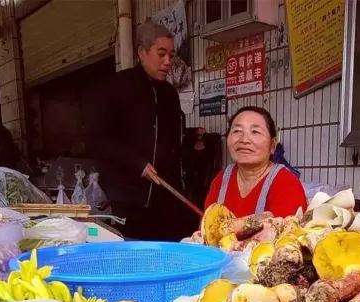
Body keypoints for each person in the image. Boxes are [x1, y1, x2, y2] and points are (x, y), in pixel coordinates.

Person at [84, 22, 189, 241]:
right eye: (161, 54)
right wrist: (136, 163)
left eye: (171, 54)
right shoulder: (114, 87)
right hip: (128, 200)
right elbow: (96, 140)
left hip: (167, 199)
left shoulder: (170, 94)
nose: (168, 61)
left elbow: (174, 147)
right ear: (142, 52)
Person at [204, 107, 307, 218]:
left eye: (255, 132)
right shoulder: (222, 179)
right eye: (237, 131)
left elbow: (288, 233)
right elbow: (206, 229)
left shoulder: (286, 183)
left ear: (273, 145)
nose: (244, 140)